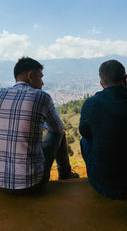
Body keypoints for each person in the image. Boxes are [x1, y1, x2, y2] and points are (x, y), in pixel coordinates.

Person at [0, 57, 79, 193]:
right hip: (33, 183)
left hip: (1, 184)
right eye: (40, 77)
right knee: (59, 133)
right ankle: (65, 174)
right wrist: (40, 123)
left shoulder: (1, 94)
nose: (42, 83)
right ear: (30, 76)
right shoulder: (42, 96)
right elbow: (58, 128)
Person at [79, 60, 127, 199]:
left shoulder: (91, 104)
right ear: (125, 78)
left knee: (85, 140)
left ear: (101, 84)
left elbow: (85, 132)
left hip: (104, 186)